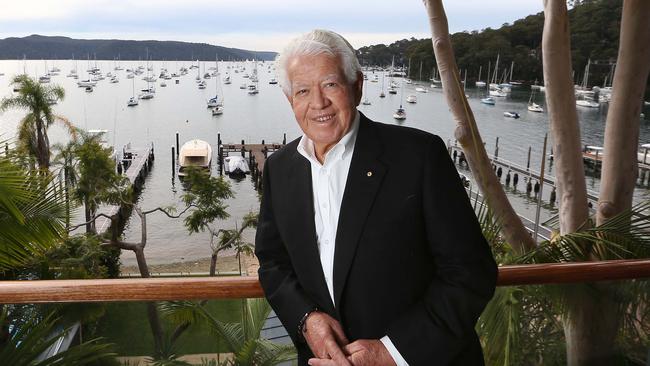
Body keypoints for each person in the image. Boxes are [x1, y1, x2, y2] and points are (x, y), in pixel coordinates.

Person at [255, 29, 497, 365]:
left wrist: (392, 352)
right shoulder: (279, 169)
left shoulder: (419, 156)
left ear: (357, 86)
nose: (318, 103)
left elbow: (471, 272)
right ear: (289, 99)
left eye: (330, 85)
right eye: (303, 91)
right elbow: (273, 262)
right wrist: (305, 319)